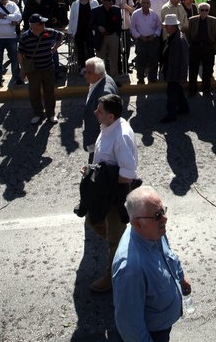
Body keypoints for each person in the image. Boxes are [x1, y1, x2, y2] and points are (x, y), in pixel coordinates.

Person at [113, 185, 190, 342]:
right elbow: (131, 327)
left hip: (162, 324)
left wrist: (181, 278)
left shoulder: (153, 232)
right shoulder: (130, 269)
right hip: (153, 334)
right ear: (137, 224)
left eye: (163, 211)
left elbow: (168, 255)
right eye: (157, 216)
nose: (164, 218)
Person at [86, 93, 139, 293]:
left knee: (114, 241)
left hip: (115, 195)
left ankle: (111, 277)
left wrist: (102, 178)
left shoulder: (121, 135)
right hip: (103, 190)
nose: (95, 112)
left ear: (111, 116)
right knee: (92, 221)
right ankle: (127, 246)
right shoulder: (108, 126)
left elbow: (128, 173)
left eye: (99, 110)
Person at [18, 14, 64, 125]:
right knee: (34, 93)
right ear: (33, 25)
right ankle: (38, 113)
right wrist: (23, 67)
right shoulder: (25, 37)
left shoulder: (48, 32)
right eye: (41, 23)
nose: (44, 25)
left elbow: (61, 35)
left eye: (43, 23)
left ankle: (51, 114)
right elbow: (20, 53)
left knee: (50, 92)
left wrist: (54, 48)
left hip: (48, 67)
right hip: (33, 70)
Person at [82, 57, 118, 148]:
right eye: (85, 71)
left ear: (99, 74)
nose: (85, 75)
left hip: (99, 142)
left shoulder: (104, 93)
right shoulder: (102, 79)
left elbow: (108, 123)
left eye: (89, 73)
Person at [160, 14, 189, 123]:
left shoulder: (180, 40)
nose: (165, 27)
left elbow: (185, 61)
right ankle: (184, 108)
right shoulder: (172, 36)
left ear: (172, 26)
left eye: (166, 25)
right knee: (178, 91)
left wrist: (183, 77)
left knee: (171, 94)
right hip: (171, 70)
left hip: (175, 73)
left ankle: (171, 115)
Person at [186, 2, 216, 96]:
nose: (204, 12)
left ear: (209, 11)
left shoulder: (213, 20)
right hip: (195, 47)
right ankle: (192, 90)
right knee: (193, 70)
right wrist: (191, 45)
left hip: (208, 48)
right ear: (198, 10)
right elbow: (188, 35)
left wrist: (213, 46)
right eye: (202, 10)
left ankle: (206, 91)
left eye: (206, 10)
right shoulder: (192, 20)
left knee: (207, 70)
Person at [91, 0, 123, 80]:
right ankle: (100, 79)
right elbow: (91, 24)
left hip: (113, 35)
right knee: (100, 59)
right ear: (103, 1)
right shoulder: (95, 10)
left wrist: (117, 35)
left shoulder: (116, 10)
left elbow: (119, 23)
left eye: (111, 0)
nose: (111, 2)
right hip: (101, 37)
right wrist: (98, 27)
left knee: (114, 58)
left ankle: (114, 78)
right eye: (108, 0)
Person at [131, 0, 162, 85]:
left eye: (147, 3)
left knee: (154, 60)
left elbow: (159, 26)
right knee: (140, 60)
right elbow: (133, 28)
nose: (145, 4)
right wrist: (140, 36)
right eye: (143, 2)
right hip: (141, 40)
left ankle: (152, 78)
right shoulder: (135, 14)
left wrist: (155, 35)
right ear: (141, 4)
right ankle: (140, 78)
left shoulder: (154, 15)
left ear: (150, 4)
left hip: (153, 40)